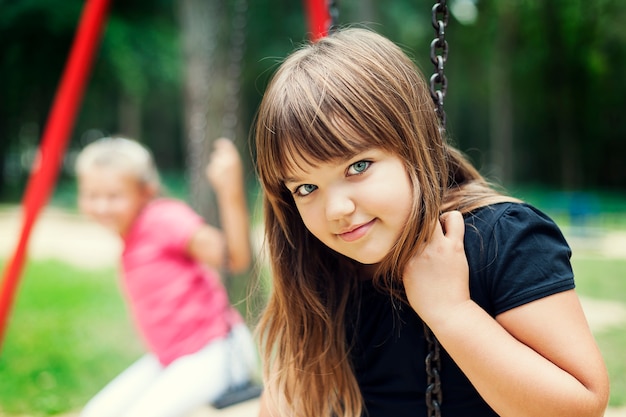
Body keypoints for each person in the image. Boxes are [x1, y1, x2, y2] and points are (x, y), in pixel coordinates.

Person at [253, 28, 609, 417]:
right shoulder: (320, 268)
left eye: (358, 166)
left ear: (412, 143)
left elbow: (581, 406)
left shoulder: (500, 238)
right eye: (306, 187)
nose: (336, 208)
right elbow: (285, 400)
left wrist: (452, 312)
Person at [75, 136, 258, 417]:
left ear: (145, 192)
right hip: (173, 356)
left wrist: (229, 191)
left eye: (113, 196)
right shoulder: (131, 237)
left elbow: (235, 257)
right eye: (92, 195)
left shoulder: (163, 219)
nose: (101, 207)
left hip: (214, 350)